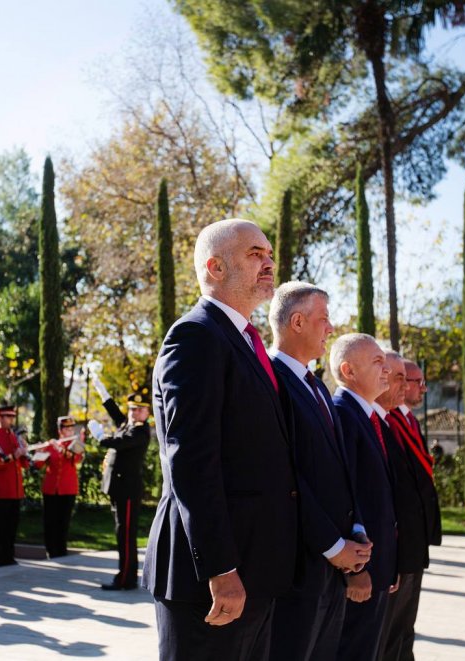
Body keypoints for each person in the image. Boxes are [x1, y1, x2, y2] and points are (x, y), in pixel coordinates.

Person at [143, 218, 299, 661]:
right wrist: (221, 567)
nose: (269, 263)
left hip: (256, 571)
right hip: (210, 578)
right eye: (255, 254)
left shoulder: (245, 342)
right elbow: (191, 461)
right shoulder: (196, 336)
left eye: (269, 254)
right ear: (214, 267)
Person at [266, 283, 371, 661]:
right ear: (297, 321)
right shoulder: (271, 381)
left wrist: (355, 532)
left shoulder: (318, 388)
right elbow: (287, 476)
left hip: (333, 565)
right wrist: (333, 545)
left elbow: (341, 470)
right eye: (323, 318)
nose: (331, 328)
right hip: (299, 566)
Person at [331, 334, 398, 661]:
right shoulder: (343, 414)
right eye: (377, 362)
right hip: (360, 569)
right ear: (348, 370)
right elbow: (346, 495)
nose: (386, 369)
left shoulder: (365, 416)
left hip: (377, 565)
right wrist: (355, 570)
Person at [378, 353, 441, 661]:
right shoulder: (384, 420)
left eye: (410, 379)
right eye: (404, 378)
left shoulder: (405, 419)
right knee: (389, 632)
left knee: (404, 628)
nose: (419, 388)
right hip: (395, 545)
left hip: (413, 543)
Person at [89, 374, 153, 591]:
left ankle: (126, 578)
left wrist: (99, 437)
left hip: (127, 490)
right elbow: (116, 413)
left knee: (125, 535)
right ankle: (126, 576)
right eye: (132, 409)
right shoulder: (129, 424)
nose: (134, 412)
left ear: (147, 412)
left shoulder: (140, 432)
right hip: (119, 488)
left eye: (139, 409)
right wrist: (103, 393)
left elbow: (119, 442)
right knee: (121, 533)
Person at [33, 415, 85, 558]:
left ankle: (62, 552)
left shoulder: (77, 443)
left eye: (71, 428)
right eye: (66, 428)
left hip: (68, 489)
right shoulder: (51, 444)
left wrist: (60, 449)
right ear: (60, 430)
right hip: (50, 489)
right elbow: (38, 465)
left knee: (63, 522)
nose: (69, 431)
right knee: (49, 522)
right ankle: (51, 551)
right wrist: (39, 453)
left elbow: (76, 459)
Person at [0, 405, 27, 567]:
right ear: (0, 418)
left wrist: (24, 453)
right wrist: (12, 456)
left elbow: (23, 464)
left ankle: (8, 556)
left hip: (15, 489)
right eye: (8, 418)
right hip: (1, 489)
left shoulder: (13, 436)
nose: (11, 421)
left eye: (12, 418)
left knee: (11, 526)